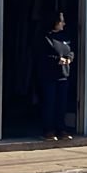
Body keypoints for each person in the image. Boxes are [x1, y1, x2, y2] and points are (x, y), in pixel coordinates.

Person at [36, 13, 75, 141]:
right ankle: (48, 130)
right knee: (49, 103)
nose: (63, 24)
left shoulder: (65, 37)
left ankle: (61, 129)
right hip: (49, 75)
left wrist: (69, 58)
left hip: (63, 75)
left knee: (61, 104)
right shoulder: (46, 37)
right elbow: (41, 55)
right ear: (55, 22)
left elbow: (71, 51)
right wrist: (57, 60)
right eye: (61, 22)